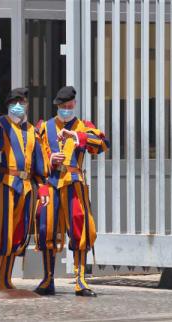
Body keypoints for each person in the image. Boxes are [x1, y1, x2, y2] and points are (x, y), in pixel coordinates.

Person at [34, 86, 110, 297]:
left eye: (70, 106)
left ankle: (80, 281)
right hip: (50, 183)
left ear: (74, 104)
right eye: (63, 107)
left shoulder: (83, 126)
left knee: (80, 227)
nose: (67, 109)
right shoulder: (44, 127)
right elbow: (33, 156)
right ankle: (48, 279)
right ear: (57, 106)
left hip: (74, 182)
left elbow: (103, 144)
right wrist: (49, 160)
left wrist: (78, 138)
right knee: (46, 228)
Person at [0, 87, 49, 289]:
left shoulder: (31, 131)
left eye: (22, 102)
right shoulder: (1, 124)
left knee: (19, 233)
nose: (18, 106)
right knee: (5, 231)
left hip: (27, 186)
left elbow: (39, 163)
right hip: (7, 183)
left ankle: (7, 279)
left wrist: (43, 188)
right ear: (8, 105)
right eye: (14, 102)